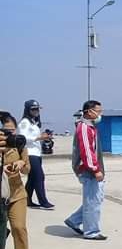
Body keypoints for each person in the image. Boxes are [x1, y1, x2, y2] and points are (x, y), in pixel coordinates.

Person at [64, 100, 107, 241]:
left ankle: (74, 220)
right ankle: (91, 231)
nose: (100, 114)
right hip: (88, 170)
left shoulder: (91, 127)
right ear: (89, 112)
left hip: (93, 168)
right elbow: (86, 151)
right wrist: (95, 169)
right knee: (93, 201)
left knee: (95, 199)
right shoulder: (84, 128)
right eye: (98, 111)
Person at [0, 114, 34, 249]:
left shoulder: (19, 144)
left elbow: (27, 169)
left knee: (19, 228)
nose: (9, 134)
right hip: (1, 195)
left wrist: (22, 164)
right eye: (5, 131)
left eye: (12, 130)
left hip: (17, 194)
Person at [19, 99, 54, 209]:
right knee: (39, 176)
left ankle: (26, 199)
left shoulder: (34, 122)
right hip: (29, 153)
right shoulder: (25, 122)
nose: (36, 111)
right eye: (33, 109)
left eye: (37, 109)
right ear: (27, 110)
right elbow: (22, 138)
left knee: (33, 178)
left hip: (37, 153)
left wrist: (45, 136)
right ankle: (43, 201)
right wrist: (39, 137)